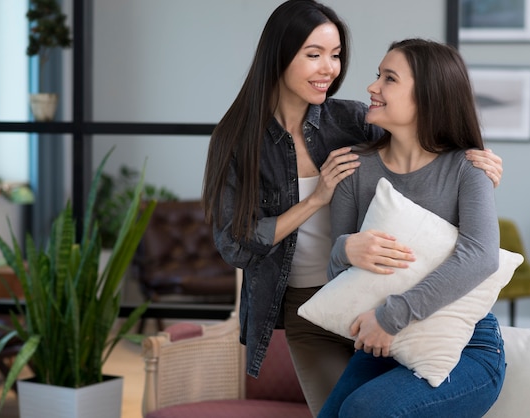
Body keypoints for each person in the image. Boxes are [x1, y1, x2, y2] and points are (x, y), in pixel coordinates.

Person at [202, 1, 503, 415]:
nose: (330, 68)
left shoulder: (352, 121)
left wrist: (481, 164)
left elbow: (421, 137)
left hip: (387, 299)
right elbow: (236, 246)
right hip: (311, 305)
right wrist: (316, 202)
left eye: (336, 54)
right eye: (314, 54)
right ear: (279, 55)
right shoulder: (236, 140)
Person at [318, 38, 506, 418]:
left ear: (428, 96)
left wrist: (391, 317)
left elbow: (481, 257)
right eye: (377, 76)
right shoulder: (354, 168)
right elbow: (339, 276)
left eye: (389, 79)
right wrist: (345, 249)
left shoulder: (470, 168)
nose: (372, 88)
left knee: (364, 409)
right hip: (381, 345)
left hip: (466, 348)